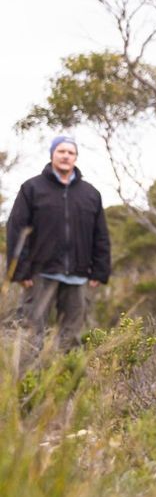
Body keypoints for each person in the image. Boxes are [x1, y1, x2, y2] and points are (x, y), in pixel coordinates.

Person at [6, 135, 110, 354]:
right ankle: (28, 385)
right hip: (39, 273)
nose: (65, 156)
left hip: (78, 274)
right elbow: (16, 228)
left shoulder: (90, 194)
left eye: (70, 152)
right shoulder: (32, 188)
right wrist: (19, 270)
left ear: (76, 157)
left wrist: (99, 271)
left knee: (71, 337)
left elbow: (100, 235)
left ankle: (63, 382)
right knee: (32, 333)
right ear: (52, 154)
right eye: (61, 151)